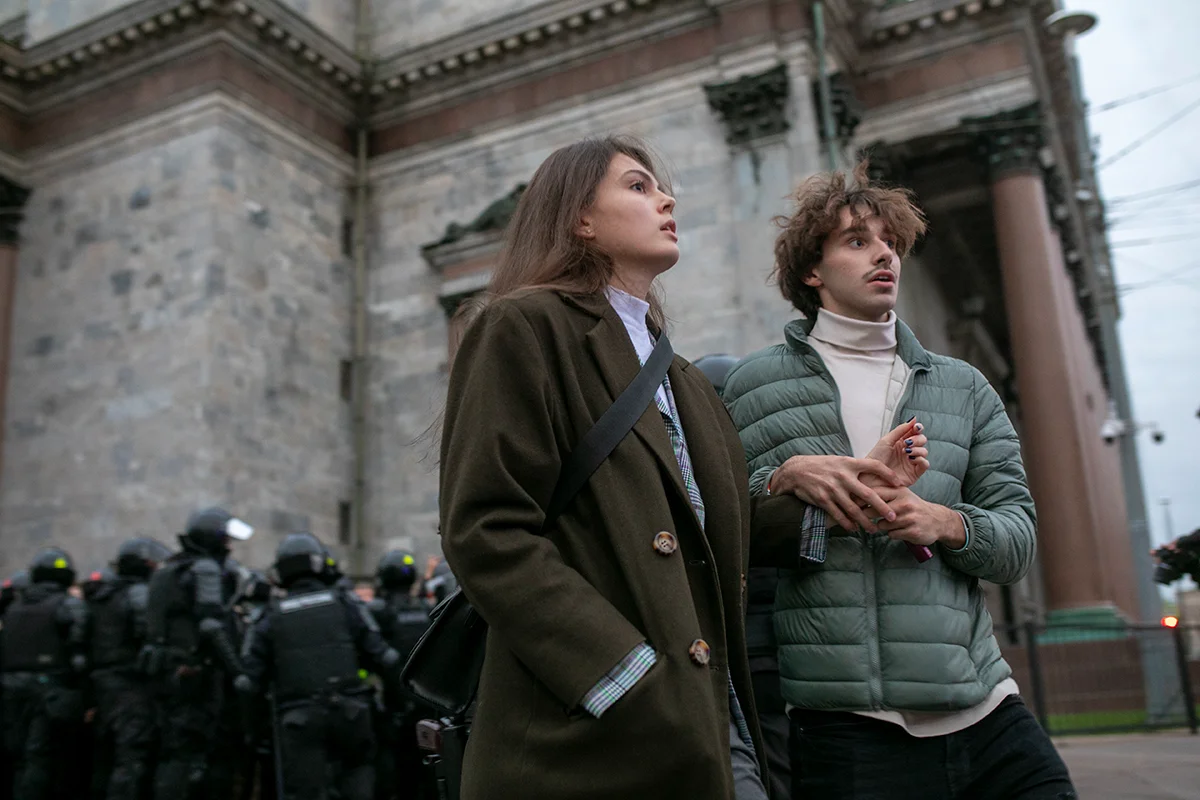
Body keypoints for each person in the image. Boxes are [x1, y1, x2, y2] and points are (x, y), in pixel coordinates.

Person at [722, 161, 1076, 799]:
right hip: (847, 727)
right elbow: (721, 530)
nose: (883, 253)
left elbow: (1017, 540)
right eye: (857, 241)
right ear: (812, 269)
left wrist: (945, 522)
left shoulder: (963, 386)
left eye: (890, 242)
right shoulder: (754, 385)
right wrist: (787, 479)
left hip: (986, 710)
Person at [438, 135, 771, 799]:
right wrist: (624, 675)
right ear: (580, 220)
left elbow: (708, 529)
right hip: (589, 732)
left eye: (661, 187)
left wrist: (828, 491)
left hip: (709, 720)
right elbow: (487, 529)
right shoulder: (522, 326)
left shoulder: (684, 377)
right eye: (638, 186)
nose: (666, 198)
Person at [236, 532, 402, 800]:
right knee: (358, 782)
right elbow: (385, 657)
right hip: (352, 714)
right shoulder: (346, 603)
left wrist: (254, 734)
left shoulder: (269, 615)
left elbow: (248, 682)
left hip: (299, 721)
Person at [142, 507, 254, 800]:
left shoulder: (168, 569)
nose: (229, 547)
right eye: (226, 540)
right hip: (193, 675)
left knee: (171, 752)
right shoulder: (204, 568)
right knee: (192, 753)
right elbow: (210, 626)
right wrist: (238, 671)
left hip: (164, 670)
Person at [0, 547, 89, 800]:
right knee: (41, 757)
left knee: (19, 758)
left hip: (12, 691)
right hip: (49, 692)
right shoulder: (67, 605)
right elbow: (79, 654)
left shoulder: (14, 609)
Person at [85, 538, 169, 800]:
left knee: (104, 760)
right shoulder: (138, 593)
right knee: (131, 758)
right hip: (131, 687)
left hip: (102, 686)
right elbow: (149, 637)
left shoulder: (101, 596)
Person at [368, 550, 432, 800]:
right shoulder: (427, 609)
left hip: (392, 709)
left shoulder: (379, 612)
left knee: (395, 778)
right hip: (425, 707)